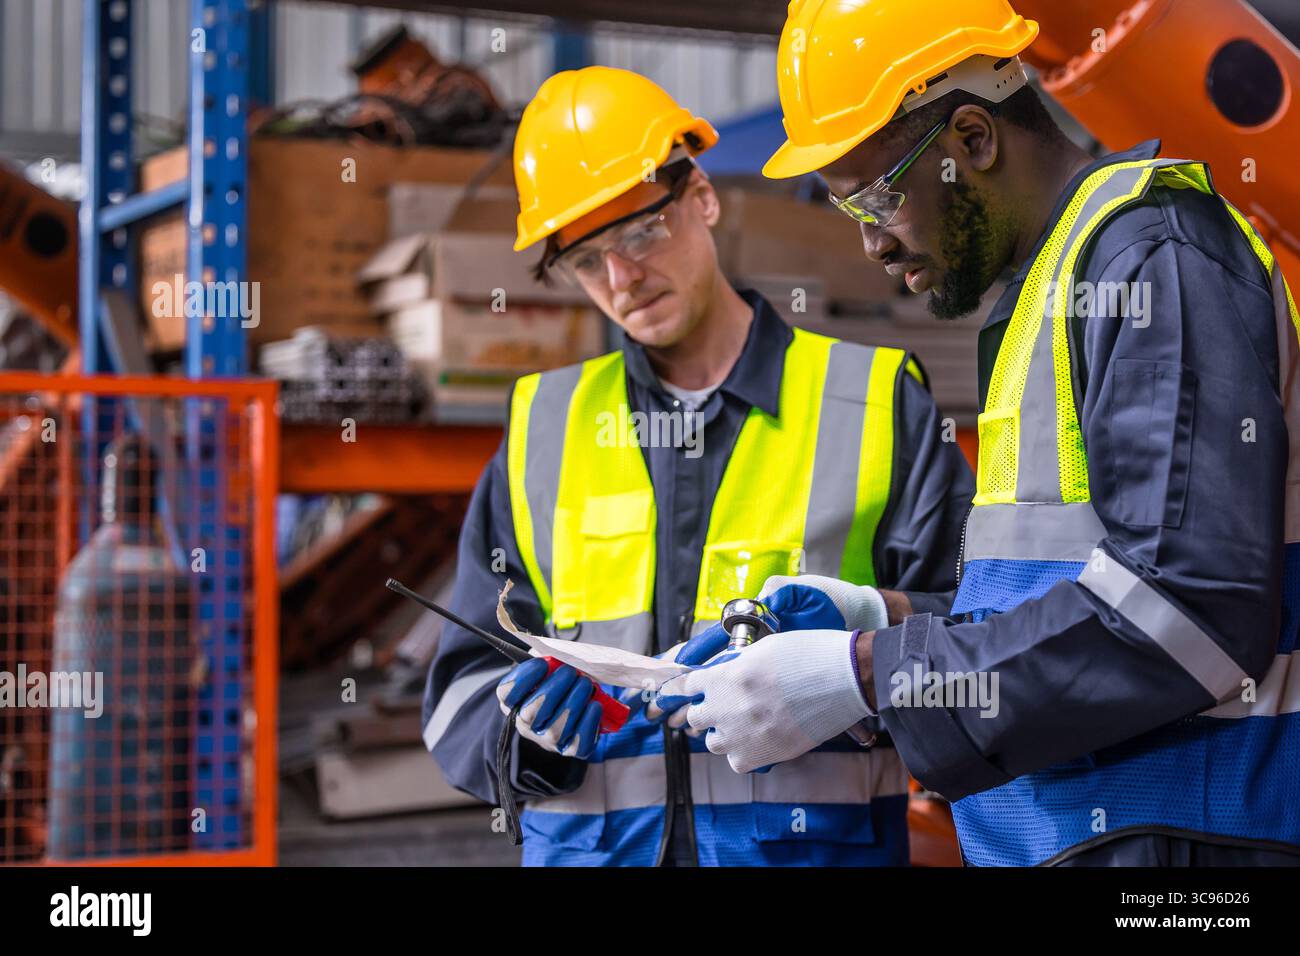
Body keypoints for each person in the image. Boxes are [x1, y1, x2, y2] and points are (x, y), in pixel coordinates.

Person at [659, 0, 1300, 866]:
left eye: (875, 199)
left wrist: (867, 672)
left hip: (1189, 851)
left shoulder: (1151, 262)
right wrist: (885, 617)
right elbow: (1070, 594)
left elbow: (1185, 611)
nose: (873, 249)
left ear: (973, 139)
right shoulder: (1059, 285)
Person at [421, 66, 974, 866]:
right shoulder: (545, 424)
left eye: (641, 232)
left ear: (703, 197)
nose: (622, 279)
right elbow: (459, 686)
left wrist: (850, 664)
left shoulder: (875, 402)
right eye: (584, 259)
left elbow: (977, 639)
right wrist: (526, 737)